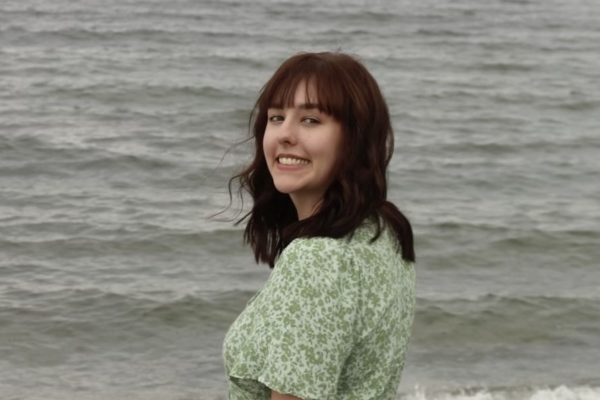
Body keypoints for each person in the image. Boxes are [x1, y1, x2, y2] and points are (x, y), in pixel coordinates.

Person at [223, 51, 416, 400]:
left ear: (354, 139)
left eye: (310, 120)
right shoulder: (383, 230)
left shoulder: (317, 260)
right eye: (277, 116)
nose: (285, 134)